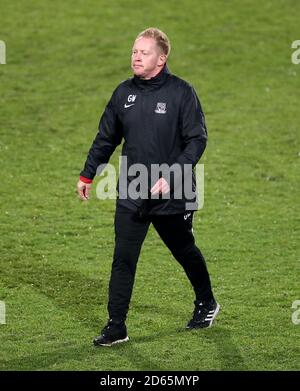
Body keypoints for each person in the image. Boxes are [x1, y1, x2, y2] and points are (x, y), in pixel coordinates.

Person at [77, 28, 220, 347]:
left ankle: (206, 302)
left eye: (144, 52)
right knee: (123, 257)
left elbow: (197, 139)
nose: (136, 57)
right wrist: (88, 174)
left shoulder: (182, 92)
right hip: (132, 190)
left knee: (184, 251)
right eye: (134, 51)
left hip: (174, 190)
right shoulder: (122, 93)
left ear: (162, 58)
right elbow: (106, 138)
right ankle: (117, 326)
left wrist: (172, 174)